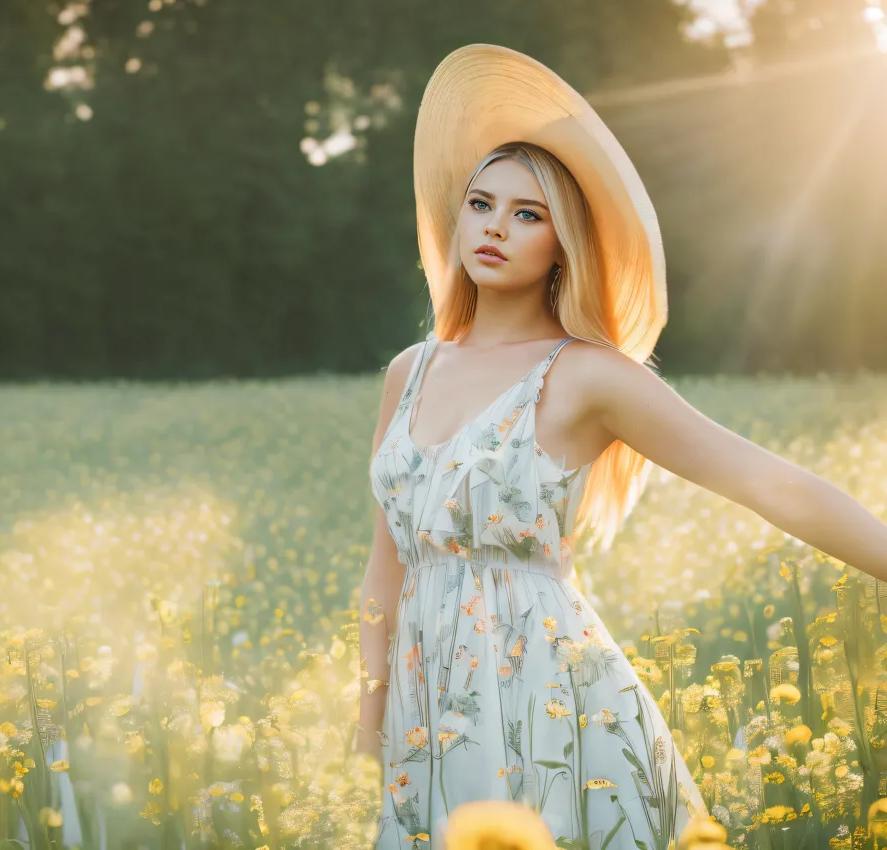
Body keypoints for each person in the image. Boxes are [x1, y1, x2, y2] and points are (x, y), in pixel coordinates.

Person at [355, 44, 887, 848]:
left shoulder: (587, 377)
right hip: (424, 717)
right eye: (481, 204)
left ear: (561, 245)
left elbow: (766, 481)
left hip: (552, 704)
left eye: (528, 215)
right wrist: (369, 713)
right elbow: (385, 562)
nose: (496, 227)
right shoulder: (409, 371)